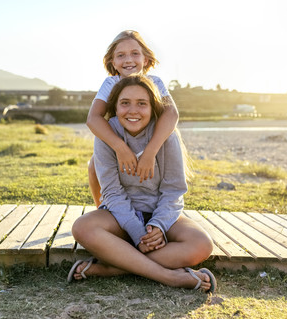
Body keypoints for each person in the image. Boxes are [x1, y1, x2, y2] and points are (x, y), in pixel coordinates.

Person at [70, 75, 216, 293]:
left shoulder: (166, 136)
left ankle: (115, 267)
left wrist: (158, 225)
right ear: (115, 107)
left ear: (152, 107)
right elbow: (112, 193)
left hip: (160, 212)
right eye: (125, 103)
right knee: (82, 227)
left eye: (142, 104)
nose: (133, 110)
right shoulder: (106, 135)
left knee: (202, 244)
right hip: (120, 216)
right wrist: (139, 236)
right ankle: (169, 277)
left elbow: (173, 190)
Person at [87, 30, 179, 207]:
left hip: (152, 141)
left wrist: (150, 151)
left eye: (135, 53)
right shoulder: (110, 83)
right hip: (119, 140)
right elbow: (93, 119)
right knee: (93, 164)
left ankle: (163, 209)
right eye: (121, 55)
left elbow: (171, 114)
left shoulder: (155, 82)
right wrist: (120, 148)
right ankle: (102, 207)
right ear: (113, 62)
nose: (128, 59)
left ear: (145, 59)